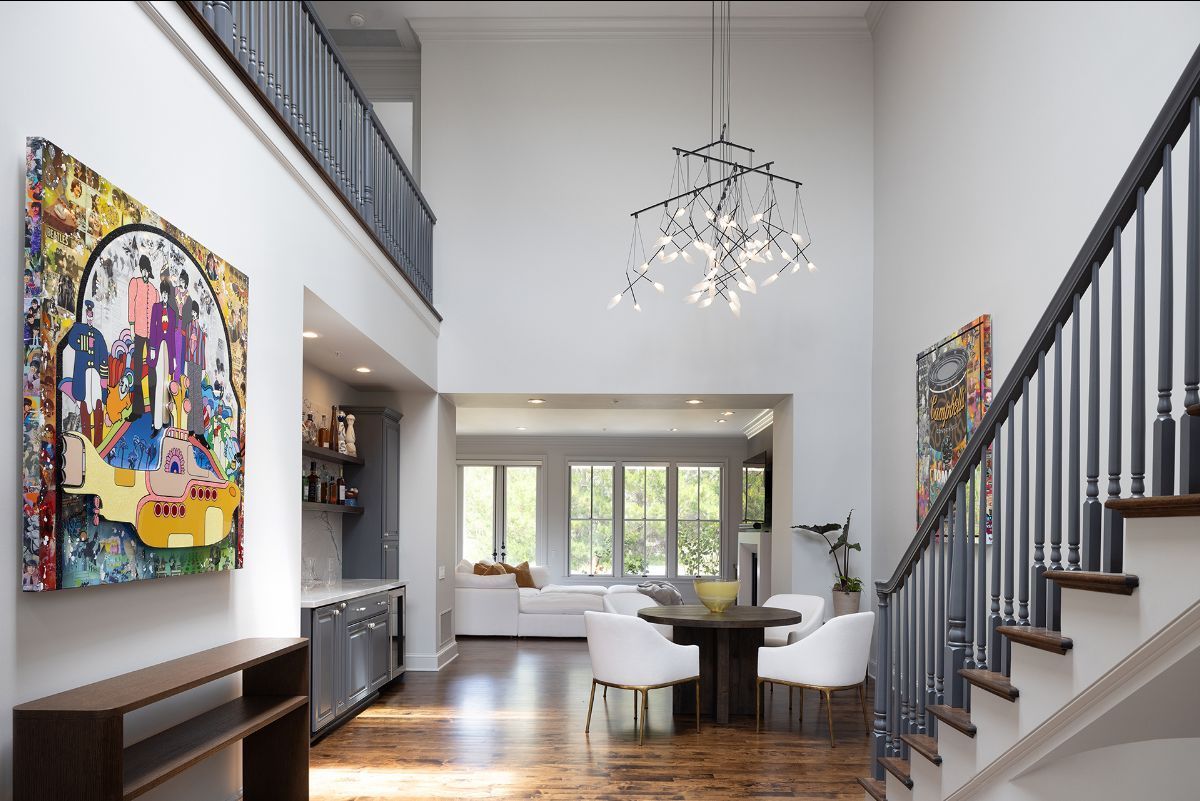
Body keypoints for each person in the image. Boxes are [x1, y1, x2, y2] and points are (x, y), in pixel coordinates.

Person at [61, 299, 109, 447]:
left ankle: (99, 443)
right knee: (85, 407)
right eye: (88, 313)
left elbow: (104, 358)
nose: (90, 316)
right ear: (85, 314)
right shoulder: (77, 329)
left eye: (91, 314)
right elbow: (73, 341)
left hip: (95, 376)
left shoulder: (98, 335)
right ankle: (87, 443)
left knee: (97, 406)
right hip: (82, 376)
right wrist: (86, 343)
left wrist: (104, 379)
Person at [127, 255, 159, 422]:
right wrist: (132, 327)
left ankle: (155, 411)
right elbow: (131, 306)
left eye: (147, 269)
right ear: (141, 269)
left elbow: (158, 316)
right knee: (138, 370)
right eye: (143, 269)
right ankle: (137, 409)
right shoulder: (135, 283)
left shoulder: (154, 291)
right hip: (139, 333)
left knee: (152, 372)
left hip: (151, 336)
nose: (145, 272)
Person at [184, 300, 206, 438]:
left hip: (197, 362)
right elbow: (186, 345)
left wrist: (203, 368)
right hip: (190, 362)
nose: (193, 314)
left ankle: (199, 430)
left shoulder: (200, 331)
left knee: (197, 395)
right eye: (191, 312)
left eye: (194, 312)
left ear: (197, 314)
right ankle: (190, 428)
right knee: (190, 394)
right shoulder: (187, 327)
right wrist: (186, 361)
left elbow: (202, 350)